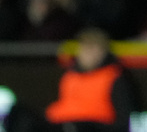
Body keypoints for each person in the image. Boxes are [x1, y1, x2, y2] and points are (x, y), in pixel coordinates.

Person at [5, 28, 139, 132]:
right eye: (85, 47)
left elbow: (122, 121)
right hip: (61, 122)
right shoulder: (70, 75)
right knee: (19, 114)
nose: (87, 52)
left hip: (88, 125)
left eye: (93, 48)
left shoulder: (113, 76)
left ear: (103, 51)